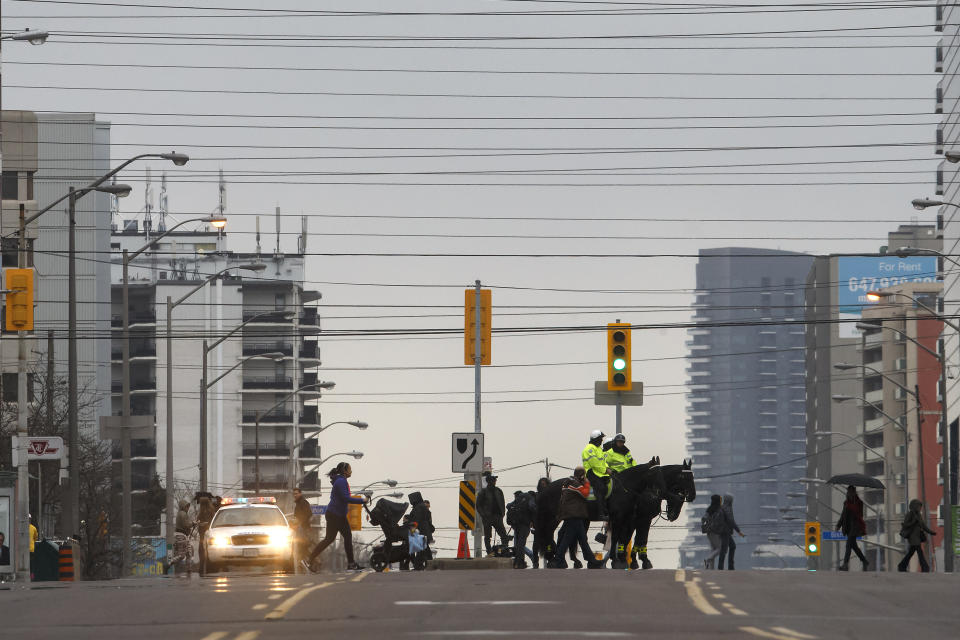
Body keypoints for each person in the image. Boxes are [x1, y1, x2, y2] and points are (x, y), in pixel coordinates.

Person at [306, 462, 368, 572]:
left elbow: (344, 498)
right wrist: (362, 500)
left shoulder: (341, 481)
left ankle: (309, 560)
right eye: (349, 469)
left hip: (336, 514)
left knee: (330, 539)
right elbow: (346, 498)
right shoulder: (340, 482)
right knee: (344, 537)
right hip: (335, 515)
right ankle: (351, 564)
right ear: (344, 471)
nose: (351, 471)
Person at [548, 467, 593, 568]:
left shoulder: (568, 482)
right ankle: (559, 559)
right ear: (582, 475)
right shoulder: (574, 484)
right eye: (584, 475)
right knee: (568, 538)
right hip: (574, 515)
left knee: (581, 539)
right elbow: (586, 494)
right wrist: (587, 483)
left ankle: (591, 560)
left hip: (571, 514)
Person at [835, 485, 868, 572]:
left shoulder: (859, 502)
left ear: (854, 492)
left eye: (851, 492)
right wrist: (838, 525)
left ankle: (845, 564)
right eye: (848, 492)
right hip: (848, 527)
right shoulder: (846, 503)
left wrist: (853, 507)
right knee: (854, 546)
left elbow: (860, 515)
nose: (849, 494)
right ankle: (864, 561)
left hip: (856, 527)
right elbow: (843, 516)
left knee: (848, 545)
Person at [898, 499, 935, 573]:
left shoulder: (918, 515)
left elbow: (923, 525)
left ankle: (902, 566)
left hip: (917, 537)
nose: (919, 508)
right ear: (914, 506)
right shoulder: (910, 514)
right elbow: (905, 525)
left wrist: (931, 532)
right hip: (912, 537)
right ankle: (925, 567)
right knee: (919, 552)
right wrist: (913, 522)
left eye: (920, 507)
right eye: (918, 506)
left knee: (911, 553)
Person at [477, 472, 509, 555]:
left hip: (497, 516)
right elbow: (478, 505)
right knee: (488, 536)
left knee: (503, 534)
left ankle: (504, 549)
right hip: (487, 517)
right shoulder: (483, 492)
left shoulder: (498, 491)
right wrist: (483, 515)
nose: (495, 481)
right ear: (489, 481)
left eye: (495, 480)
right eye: (494, 480)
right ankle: (489, 551)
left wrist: (502, 514)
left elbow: (502, 502)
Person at [582, 430, 610, 520]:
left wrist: (608, 469)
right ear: (596, 439)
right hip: (591, 473)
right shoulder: (589, 449)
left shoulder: (599, 449)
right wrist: (605, 470)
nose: (602, 440)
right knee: (600, 488)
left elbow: (603, 462)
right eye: (600, 438)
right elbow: (594, 463)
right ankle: (601, 513)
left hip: (600, 473)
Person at [506, 489, 537, 569]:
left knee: (519, 544)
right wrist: (534, 519)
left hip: (516, 524)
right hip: (524, 524)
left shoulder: (519, 498)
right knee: (521, 543)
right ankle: (519, 562)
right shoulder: (530, 498)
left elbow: (508, 506)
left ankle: (520, 562)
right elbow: (532, 507)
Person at [717, 494, 745, 570]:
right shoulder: (727, 508)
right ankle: (721, 567)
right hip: (725, 532)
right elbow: (731, 521)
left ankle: (730, 566)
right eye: (732, 500)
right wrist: (738, 531)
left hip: (725, 531)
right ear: (729, 501)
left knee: (732, 546)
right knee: (724, 550)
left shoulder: (723, 507)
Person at [702, 494, 726, 570]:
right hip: (716, 532)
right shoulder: (719, 510)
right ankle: (707, 559)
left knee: (713, 549)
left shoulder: (709, 509)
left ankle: (711, 568)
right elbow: (722, 521)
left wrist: (705, 525)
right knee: (719, 549)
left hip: (709, 532)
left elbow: (703, 518)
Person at [292, 487, 313, 566]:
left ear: (300, 494)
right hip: (300, 528)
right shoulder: (298, 503)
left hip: (304, 528)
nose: (295, 495)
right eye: (294, 494)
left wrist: (300, 522)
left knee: (303, 545)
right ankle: (304, 561)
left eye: (296, 493)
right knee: (302, 545)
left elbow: (308, 514)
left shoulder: (303, 502)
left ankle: (308, 560)